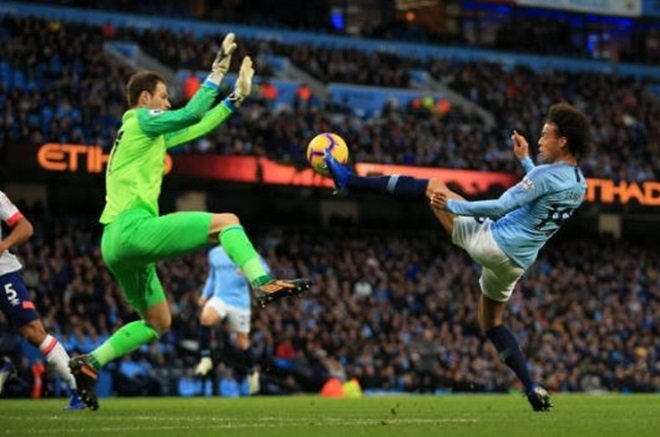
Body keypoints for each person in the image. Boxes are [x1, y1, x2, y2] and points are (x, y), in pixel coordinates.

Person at [69, 34, 311, 410]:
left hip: (114, 244)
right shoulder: (141, 120)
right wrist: (217, 72)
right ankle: (263, 282)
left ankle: (90, 362)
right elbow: (191, 114)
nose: (168, 103)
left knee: (158, 322)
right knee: (227, 222)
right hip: (133, 229)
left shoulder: (144, 135)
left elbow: (195, 127)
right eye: (164, 96)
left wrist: (235, 98)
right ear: (145, 99)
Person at [323, 103, 592, 411]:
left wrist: (452, 206)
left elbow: (500, 207)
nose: (540, 140)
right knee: (491, 323)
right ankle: (531, 386)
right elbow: (545, 189)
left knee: (433, 187)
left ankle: (349, 181)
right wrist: (525, 160)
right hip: (516, 264)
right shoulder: (579, 184)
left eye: (546, 135)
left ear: (563, 141)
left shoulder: (544, 175)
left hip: (493, 241)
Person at [0, 191, 84, 410]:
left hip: (2, 274)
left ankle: (78, 388)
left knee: (33, 332)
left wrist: (2, 246)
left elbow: (25, 228)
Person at [194, 246, 267, 395]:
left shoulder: (245, 250)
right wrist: (205, 295)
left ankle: (251, 373)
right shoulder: (213, 253)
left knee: (242, 343)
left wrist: (249, 271)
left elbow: (265, 270)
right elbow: (212, 277)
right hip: (220, 297)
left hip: (239, 302)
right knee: (206, 318)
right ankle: (205, 358)